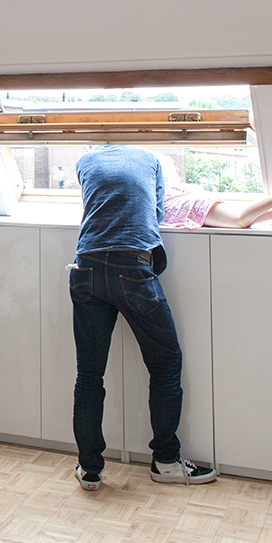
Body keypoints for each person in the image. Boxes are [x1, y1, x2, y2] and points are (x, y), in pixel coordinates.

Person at [69, 146, 216, 492]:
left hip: (85, 267)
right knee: (166, 365)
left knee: (89, 375)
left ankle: (89, 469)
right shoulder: (151, 161)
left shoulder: (85, 160)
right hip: (132, 267)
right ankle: (166, 461)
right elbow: (157, 209)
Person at [162, 183, 272, 230]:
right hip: (195, 201)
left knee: (238, 221)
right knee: (245, 222)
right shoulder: (165, 192)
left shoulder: (158, 199)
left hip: (192, 206)